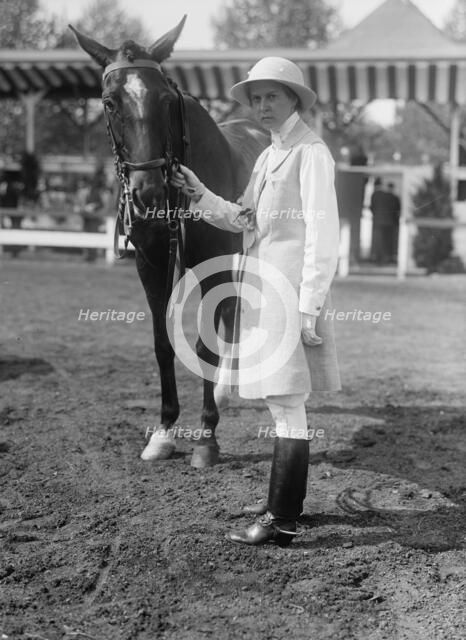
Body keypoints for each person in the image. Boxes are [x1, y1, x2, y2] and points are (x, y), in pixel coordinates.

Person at [171, 57, 341, 546]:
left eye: (273, 96)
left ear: (294, 99)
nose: (263, 106)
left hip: (290, 295)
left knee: (288, 404)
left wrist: (310, 306)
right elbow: (244, 218)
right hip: (264, 293)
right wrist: (200, 192)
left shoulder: (312, 153)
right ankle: (282, 506)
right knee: (279, 402)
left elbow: (323, 236)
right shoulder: (270, 156)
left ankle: (281, 520)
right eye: (257, 98)